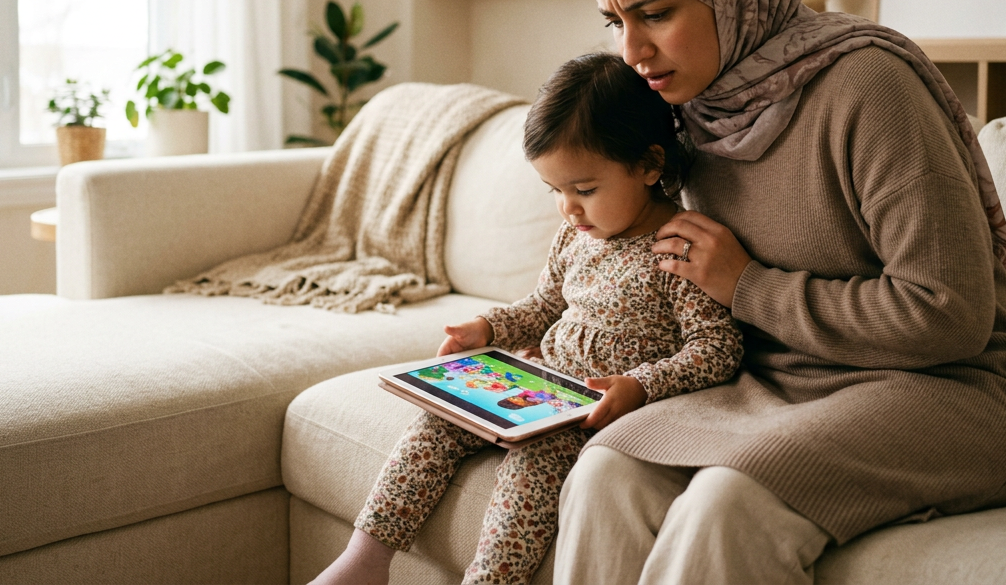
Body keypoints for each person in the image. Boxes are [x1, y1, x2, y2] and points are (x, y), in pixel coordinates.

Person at [552, 0, 1006, 585]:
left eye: (655, 13)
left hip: (953, 388)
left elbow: (950, 314)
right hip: (778, 384)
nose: (632, 51)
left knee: (728, 503)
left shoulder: (869, 87)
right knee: (607, 469)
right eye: (615, 22)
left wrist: (750, 287)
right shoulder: (690, 110)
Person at [312, 52, 743, 585]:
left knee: (531, 468)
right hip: (541, 385)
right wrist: (488, 328)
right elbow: (542, 306)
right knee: (437, 422)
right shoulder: (576, 236)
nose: (568, 209)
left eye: (584, 190)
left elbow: (716, 347)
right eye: (555, 191)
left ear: (650, 166)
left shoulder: (680, 247)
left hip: (594, 414)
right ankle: (364, 560)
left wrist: (640, 385)